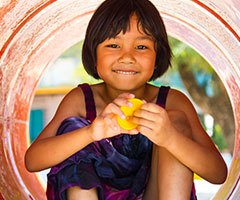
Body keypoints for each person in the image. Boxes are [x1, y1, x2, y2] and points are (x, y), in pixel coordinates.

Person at [25, 0, 228, 199]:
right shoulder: (81, 100)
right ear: (94, 55)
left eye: (141, 47)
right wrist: (90, 133)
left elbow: (218, 173)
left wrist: (170, 138)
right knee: (75, 131)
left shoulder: (172, 101)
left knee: (175, 121)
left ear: (157, 56)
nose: (127, 57)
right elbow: (33, 161)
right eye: (113, 45)